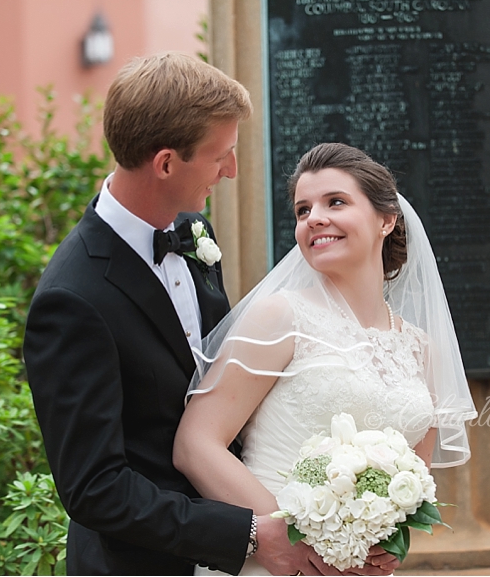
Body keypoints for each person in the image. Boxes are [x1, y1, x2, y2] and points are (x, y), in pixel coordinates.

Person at [24, 52, 345, 576]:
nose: (232, 171)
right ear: (167, 163)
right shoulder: (73, 300)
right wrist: (245, 535)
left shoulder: (194, 232)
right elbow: (95, 489)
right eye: (222, 155)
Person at [173, 143, 478, 576]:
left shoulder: (419, 348)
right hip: (273, 562)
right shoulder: (281, 316)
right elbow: (196, 444)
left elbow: (414, 481)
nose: (313, 217)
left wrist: (390, 543)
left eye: (335, 201)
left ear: (386, 220)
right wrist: (284, 538)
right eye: (302, 210)